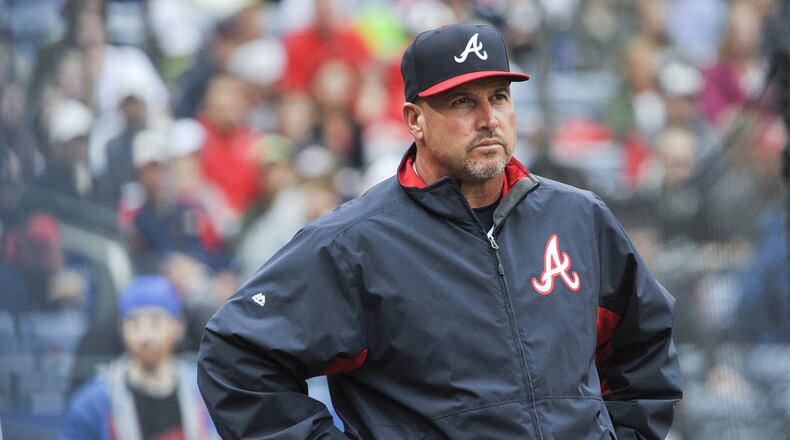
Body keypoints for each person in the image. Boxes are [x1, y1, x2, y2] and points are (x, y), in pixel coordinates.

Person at [198, 23, 682, 439]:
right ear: (415, 120)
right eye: (462, 101)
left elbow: (646, 343)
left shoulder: (577, 218)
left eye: (499, 96)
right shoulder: (357, 244)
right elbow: (235, 357)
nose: (488, 118)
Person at [62, 275, 217, 440]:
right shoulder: (93, 403)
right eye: (134, 322)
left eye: (155, 322)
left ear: (178, 326)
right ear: (121, 328)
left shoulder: (205, 393)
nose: (144, 336)